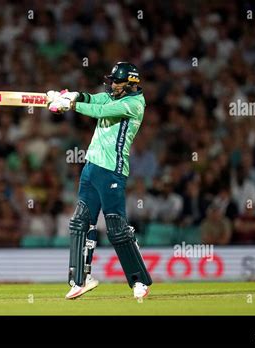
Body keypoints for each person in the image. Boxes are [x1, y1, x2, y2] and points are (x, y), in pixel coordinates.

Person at [48, 62, 153, 299]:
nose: (112, 84)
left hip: (112, 172)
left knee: (116, 228)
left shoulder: (134, 104)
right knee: (79, 223)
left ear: (131, 84)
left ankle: (140, 281)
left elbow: (100, 112)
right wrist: (74, 95)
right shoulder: (112, 96)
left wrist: (71, 105)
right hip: (91, 168)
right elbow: (94, 100)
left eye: (117, 81)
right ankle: (80, 279)